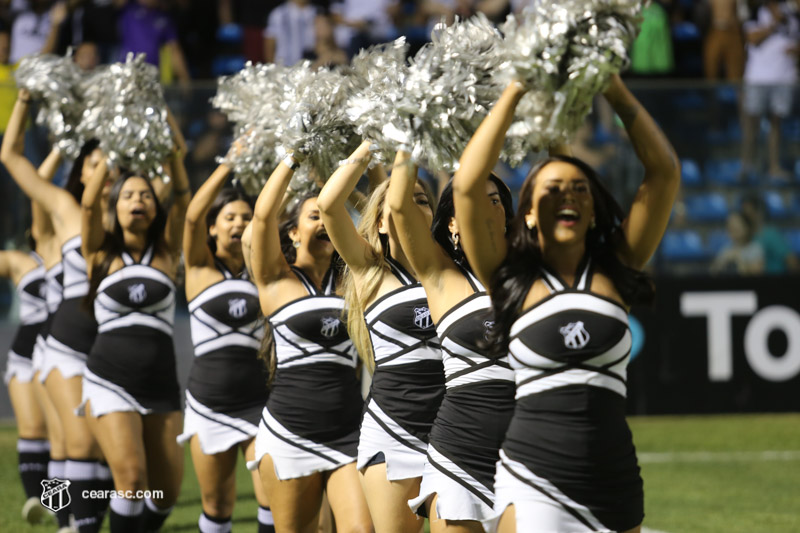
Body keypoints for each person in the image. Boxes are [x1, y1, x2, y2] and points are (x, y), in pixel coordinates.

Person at [452, 73, 680, 532]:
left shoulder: (618, 265)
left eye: (578, 188)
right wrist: (515, 90)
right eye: (551, 189)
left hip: (615, 480)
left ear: (592, 209)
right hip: (535, 480)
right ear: (529, 213)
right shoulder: (510, 279)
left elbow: (664, 172)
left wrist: (610, 85)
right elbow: (466, 188)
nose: (567, 195)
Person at [387, 151, 517, 531]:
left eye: (494, 199)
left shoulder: (530, 275)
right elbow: (398, 204)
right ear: (452, 224)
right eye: (472, 198)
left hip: (528, 445)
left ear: (507, 217)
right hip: (459, 450)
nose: (486, 205)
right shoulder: (439, 275)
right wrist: (409, 135)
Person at [318, 141, 443, 533]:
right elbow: (329, 205)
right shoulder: (369, 271)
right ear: (382, 221)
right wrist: (377, 137)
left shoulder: (452, 269)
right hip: (394, 428)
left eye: (423, 200)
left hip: (455, 427)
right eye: (404, 201)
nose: (413, 206)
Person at [1, 89, 110, 533]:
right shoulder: (61, 219)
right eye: (94, 162)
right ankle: (63, 517)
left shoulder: (132, 215)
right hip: (56, 344)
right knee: (69, 442)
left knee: (88, 449)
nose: (104, 169)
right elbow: (19, 167)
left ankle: (81, 517)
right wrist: (28, 104)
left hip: (113, 345)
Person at [246, 153, 371, 532]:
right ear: (294, 233)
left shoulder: (357, 281)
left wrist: (346, 175)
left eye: (328, 217)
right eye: (313, 216)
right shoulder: (276, 280)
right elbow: (263, 218)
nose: (323, 223)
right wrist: (292, 158)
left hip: (349, 433)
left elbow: (383, 219)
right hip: (289, 433)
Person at [79, 114, 189, 532]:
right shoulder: (99, 253)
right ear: (114, 204)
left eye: (145, 194)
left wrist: (172, 148)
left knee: (166, 493)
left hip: (160, 384)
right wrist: (111, 147)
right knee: (131, 481)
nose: (138, 199)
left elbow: (181, 193)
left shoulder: (166, 252)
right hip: (109, 381)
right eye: (128, 195)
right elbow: (88, 204)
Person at [178, 155, 273, 533]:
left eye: (246, 218)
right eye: (229, 218)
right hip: (209, 405)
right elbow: (189, 217)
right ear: (212, 228)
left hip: (261, 404)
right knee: (217, 505)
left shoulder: (267, 271)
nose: (239, 224)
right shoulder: (199, 269)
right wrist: (228, 164)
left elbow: (271, 218)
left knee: (271, 501)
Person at [0, 147, 62, 525]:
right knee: (32, 429)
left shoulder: (70, 258)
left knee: (63, 437)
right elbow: (37, 191)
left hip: (59, 351)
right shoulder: (20, 261)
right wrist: (58, 151)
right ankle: (35, 500)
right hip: (25, 353)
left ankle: (59, 505)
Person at [741, 0, 800, 180]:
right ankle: (747, 167)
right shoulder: (755, 12)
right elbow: (752, 38)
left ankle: (774, 167)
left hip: (783, 77)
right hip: (757, 78)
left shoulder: (792, 14)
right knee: (752, 125)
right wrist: (774, 24)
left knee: (776, 124)